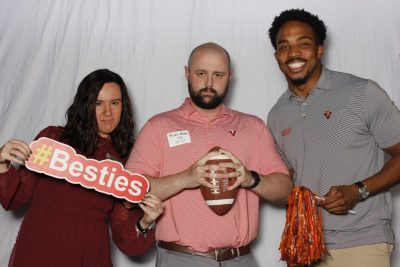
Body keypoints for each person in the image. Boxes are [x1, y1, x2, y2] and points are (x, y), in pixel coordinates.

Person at [125, 42, 293, 267]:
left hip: (240, 259)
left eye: (218, 74)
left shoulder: (252, 127)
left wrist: (249, 179)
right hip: (181, 259)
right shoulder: (159, 126)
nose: (209, 83)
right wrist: (186, 178)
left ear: (230, 76)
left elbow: (286, 190)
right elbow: (128, 191)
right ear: (187, 73)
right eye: (201, 73)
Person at [267, 9, 400, 267]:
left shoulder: (362, 92)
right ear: (276, 56)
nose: (293, 53)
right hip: (304, 247)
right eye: (284, 46)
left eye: (303, 44)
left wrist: (358, 190)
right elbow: (286, 182)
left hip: (361, 243)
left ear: (319, 49)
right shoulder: (276, 115)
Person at [0, 69, 163, 267]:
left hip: (88, 255)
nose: (108, 112)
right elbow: (14, 198)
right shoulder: (53, 139)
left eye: (114, 103)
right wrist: (2, 165)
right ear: (85, 104)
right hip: (38, 251)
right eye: (98, 103)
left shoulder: (126, 160)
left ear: (124, 106)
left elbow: (126, 239)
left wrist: (146, 222)